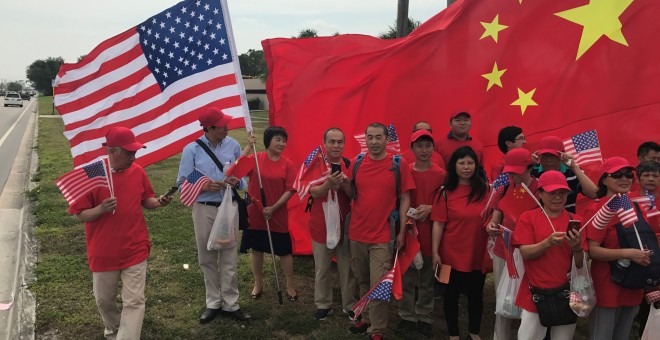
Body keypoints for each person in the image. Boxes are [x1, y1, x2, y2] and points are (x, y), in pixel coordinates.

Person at [69, 126, 172, 340]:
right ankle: (114, 329)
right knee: (104, 300)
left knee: (134, 301)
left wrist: (159, 202)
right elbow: (80, 214)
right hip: (104, 251)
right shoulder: (93, 174)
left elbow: (147, 201)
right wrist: (101, 209)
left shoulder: (138, 171)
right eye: (129, 152)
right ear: (112, 151)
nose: (133, 157)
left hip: (135, 247)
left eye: (135, 152)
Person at [176, 107, 253, 324]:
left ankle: (231, 303)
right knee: (207, 256)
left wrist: (238, 182)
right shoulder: (192, 150)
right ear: (209, 128)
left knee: (229, 255)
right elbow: (182, 181)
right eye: (222, 125)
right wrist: (203, 186)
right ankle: (213, 302)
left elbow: (243, 174)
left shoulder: (233, 146)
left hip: (228, 206)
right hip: (204, 208)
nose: (227, 128)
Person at [348, 122, 415, 340]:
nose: (374, 142)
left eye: (379, 137)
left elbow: (405, 197)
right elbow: (352, 193)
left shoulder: (398, 164)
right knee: (363, 281)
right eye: (370, 137)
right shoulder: (357, 163)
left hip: (382, 235)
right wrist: (338, 183)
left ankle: (377, 330)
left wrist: (403, 230)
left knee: (379, 284)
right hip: (357, 233)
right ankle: (367, 319)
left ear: (387, 139)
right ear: (364, 140)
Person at [512, 170, 584, 340]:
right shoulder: (528, 218)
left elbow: (580, 265)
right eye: (552, 193)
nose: (558, 197)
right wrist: (547, 243)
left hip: (566, 293)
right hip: (535, 293)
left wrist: (577, 248)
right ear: (540, 194)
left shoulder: (576, 221)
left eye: (563, 193)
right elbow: (526, 253)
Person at [585, 157, 650, 340]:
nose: (625, 178)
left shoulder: (636, 208)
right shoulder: (597, 209)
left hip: (633, 283)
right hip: (607, 284)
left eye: (629, 174)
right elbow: (593, 251)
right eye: (618, 175)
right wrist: (627, 254)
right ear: (604, 180)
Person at [431, 146, 489, 340]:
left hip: (477, 252)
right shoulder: (444, 193)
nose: (466, 167)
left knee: (476, 295)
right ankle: (453, 334)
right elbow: (438, 224)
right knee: (450, 295)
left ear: (476, 165)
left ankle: (474, 331)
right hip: (449, 254)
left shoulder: (487, 191)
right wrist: (435, 252)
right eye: (461, 162)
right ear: (453, 166)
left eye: (470, 162)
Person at [485, 147, 538, 340]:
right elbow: (495, 217)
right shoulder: (504, 188)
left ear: (529, 168)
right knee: (503, 298)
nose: (514, 176)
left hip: (530, 252)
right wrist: (491, 226)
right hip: (504, 251)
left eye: (518, 171)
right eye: (511, 172)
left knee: (531, 300)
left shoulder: (540, 190)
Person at [397, 129, 445, 337]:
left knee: (427, 277)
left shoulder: (441, 174)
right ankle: (406, 315)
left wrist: (431, 209)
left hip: (431, 233)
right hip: (408, 231)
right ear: (412, 149)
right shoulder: (404, 170)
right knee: (407, 276)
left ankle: (424, 315)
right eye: (419, 146)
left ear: (433, 148)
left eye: (428, 146)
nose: (424, 150)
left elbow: (446, 203)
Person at [241, 126, 298, 302]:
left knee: (284, 251)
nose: (282, 143)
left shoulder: (287, 164)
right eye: (278, 139)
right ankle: (258, 284)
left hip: (277, 213)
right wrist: (249, 146)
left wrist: (273, 208)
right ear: (268, 141)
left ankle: (290, 285)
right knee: (257, 249)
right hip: (256, 214)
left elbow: (290, 190)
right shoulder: (256, 159)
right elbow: (238, 168)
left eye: (284, 140)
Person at [308, 127, 357, 321]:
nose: (336, 145)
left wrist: (344, 183)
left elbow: (353, 194)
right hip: (321, 224)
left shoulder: (350, 164)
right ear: (324, 143)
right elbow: (314, 192)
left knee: (347, 267)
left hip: (344, 225)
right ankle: (323, 304)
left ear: (344, 144)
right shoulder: (315, 164)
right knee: (322, 267)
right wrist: (328, 183)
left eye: (339, 142)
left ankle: (349, 304)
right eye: (332, 142)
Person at [530, 136, 598, 212]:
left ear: (562, 155)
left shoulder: (572, 171)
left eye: (553, 155)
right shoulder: (532, 171)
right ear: (538, 155)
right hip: (537, 221)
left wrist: (574, 167)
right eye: (545, 155)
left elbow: (594, 194)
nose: (549, 159)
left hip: (567, 221)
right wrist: (528, 166)